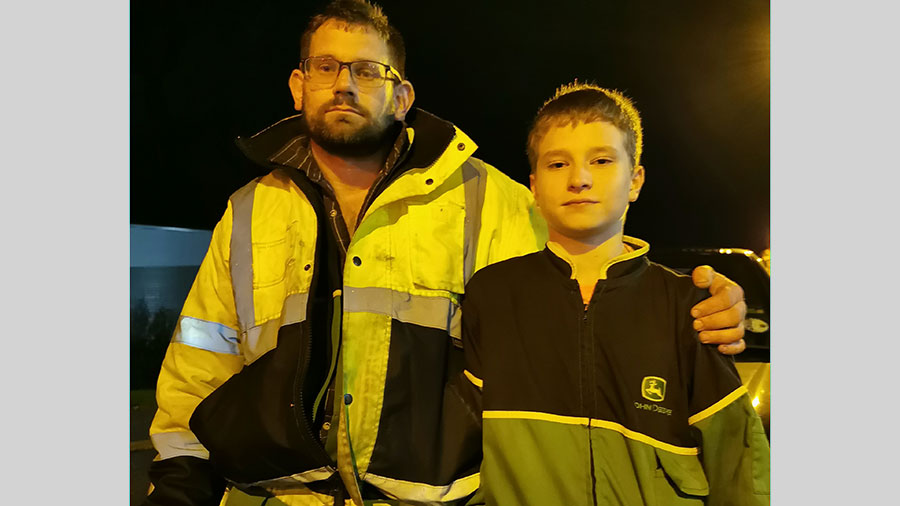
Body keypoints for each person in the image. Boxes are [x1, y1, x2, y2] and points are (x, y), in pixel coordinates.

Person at [144, 1, 749, 505]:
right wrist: (179, 480)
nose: (345, 84)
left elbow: (595, 277)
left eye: (368, 71)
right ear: (299, 83)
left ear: (402, 95)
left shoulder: (493, 200)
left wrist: (698, 301)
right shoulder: (250, 208)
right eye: (326, 66)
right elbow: (202, 355)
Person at [461, 83, 769, 505]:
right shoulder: (492, 294)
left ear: (635, 179)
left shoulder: (688, 305)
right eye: (557, 164)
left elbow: (737, 462)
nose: (579, 179)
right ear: (533, 186)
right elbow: (462, 444)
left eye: (602, 160)